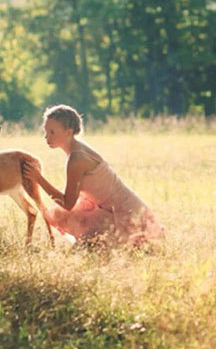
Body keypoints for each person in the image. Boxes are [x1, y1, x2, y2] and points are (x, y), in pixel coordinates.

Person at [22, 104, 164, 247]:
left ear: (68, 132)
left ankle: (107, 243)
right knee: (61, 215)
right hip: (112, 209)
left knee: (66, 220)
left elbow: (68, 204)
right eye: (46, 131)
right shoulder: (77, 148)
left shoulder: (76, 159)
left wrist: (38, 179)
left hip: (128, 216)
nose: (46, 137)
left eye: (52, 132)